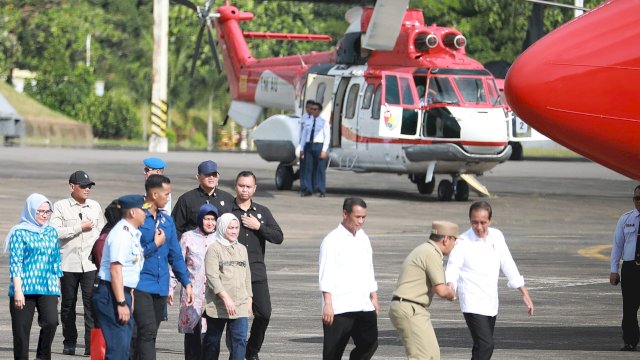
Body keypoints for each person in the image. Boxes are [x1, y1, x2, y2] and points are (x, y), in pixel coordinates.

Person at [446, 201, 534, 360]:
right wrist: (450, 286)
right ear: (469, 220)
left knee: (480, 346)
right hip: (472, 301)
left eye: (483, 222)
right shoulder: (462, 242)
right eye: (474, 222)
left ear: (490, 220)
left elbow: (508, 263)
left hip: (490, 301)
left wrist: (523, 292)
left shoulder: (497, 236)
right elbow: (453, 267)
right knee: (486, 345)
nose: (479, 227)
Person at [131, 174, 194, 360]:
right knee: (147, 332)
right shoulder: (136, 217)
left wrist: (186, 282)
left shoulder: (167, 221)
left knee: (145, 334)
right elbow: (130, 254)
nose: (168, 198)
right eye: (166, 194)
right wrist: (154, 244)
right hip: (140, 284)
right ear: (154, 194)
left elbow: (175, 254)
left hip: (160, 286)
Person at [230, 171, 284, 360]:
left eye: (248, 186)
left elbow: (278, 237)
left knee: (264, 314)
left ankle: (251, 351)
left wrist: (259, 226)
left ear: (254, 189)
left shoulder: (262, 212)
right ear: (235, 186)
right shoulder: (227, 211)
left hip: (256, 271)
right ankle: (236, 352)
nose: (244, 190)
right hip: (232, 274)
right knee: (235, 317)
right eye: (241, 185)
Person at [50, 170, 104, 356]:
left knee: (92, 305)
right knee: (68, 304)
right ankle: (69, 342)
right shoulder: (60, 206)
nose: (87, 189)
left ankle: (92, 345)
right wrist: (78, 228)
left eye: (89, 186)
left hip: (90, 265)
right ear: (72, 186)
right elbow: (54, 231)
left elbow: (101, 234)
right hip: (68, 263)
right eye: (83, 186)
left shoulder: (95, 206)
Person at [319, 197, 379, 360]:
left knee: (370, 342)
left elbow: (369, 268)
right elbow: (326, 273)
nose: (361, 221)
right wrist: (328, 304)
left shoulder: (363, 238)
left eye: (363, 217)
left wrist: (374, 295)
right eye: (357, 217)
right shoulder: (331, 240)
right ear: (345, 214)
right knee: (333, 353)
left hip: (362, 304)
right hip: (339, 307)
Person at [389, 221, 458, 360]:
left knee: (432, 355)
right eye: (454, 240)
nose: (454, 245)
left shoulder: (426, 250)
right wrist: (451, 291)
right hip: (410, 308)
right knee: (421, 357)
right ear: (446, 239)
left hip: (415, 309)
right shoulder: (431, 253)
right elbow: (441, 290)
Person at [5, 193, 63, 360]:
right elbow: (15, 263)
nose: (44, 215)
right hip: (24, 288)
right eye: (40, 211)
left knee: (52, 322)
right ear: (30, 211)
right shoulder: (19, 232)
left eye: (47, 212)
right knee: (21, 333)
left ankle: (42, 356)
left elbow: (56, 261)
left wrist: (57, 289)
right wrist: (18, 290)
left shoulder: (51, 232)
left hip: (47, 286)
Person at [92, 195, 146, 360]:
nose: (146, 213)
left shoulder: (132, 234)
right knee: (117, 350)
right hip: (112, 294)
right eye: (143, 210)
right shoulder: (121, 235)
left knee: (122, 349)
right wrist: (121, 302)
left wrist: (129, 296)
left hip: (122, 292)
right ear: (132, 212)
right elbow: (115, 270)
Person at [169, 203, 219, 360]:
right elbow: (176, 264)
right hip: (192, 295)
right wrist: (170, 288)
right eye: (206, 219)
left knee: (211, 338)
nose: (210, 223)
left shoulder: (220, 239)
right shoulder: (188, 237)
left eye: (213, 219)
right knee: (192, 338)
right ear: (200, 219)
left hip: (213, 296)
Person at [203, 213, 252, 360]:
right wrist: (225, 298)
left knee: (240, 341)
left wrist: (249, 298)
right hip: (218, 305)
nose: (234, 231)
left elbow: (247, 275)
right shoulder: (214, 249)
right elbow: (212, 276)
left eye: (237, 228)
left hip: (240, 304)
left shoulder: (242, 249)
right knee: (212, 342)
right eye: (230, 228)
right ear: (222, 228)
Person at [610, 185, 640, 351]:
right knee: (629, 308)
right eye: (636, 198)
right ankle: (630, 340)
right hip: (630, 268)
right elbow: (617, 246)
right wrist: (614, 270)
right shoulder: (625, 219)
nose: (639, 202)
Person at [172, 160, 235, 239]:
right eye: (207, 175)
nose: (211, 177)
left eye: (214, 174)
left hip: (220, 247)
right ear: (198, 177)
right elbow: (176, 228)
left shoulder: (227, 198)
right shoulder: (186, 199)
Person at [299, 102, 330, 197]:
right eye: (312, 109)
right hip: (309, 145)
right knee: (308, 168)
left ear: (319, 111)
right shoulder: (308, 121)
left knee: (320, 169)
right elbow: (304, 135)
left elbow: (327, 136)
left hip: (319, 145)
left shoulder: (324, 122)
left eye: (315, 109)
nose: (313, 111)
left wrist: (324, 150)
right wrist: (302, 148)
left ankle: (321, 190)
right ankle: (308, 189)